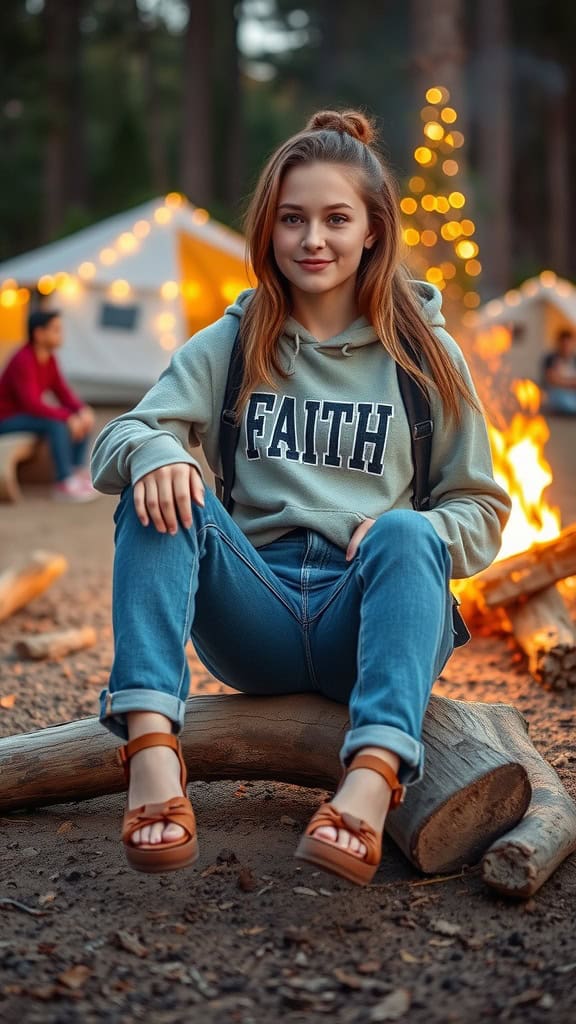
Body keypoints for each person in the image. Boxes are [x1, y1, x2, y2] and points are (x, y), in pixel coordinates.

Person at [91, 110, 511, 884]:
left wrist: (405, 527)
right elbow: (116, 440)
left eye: (335, 218)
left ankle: (372, 778)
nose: (312, 239)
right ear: (268, 231)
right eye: (293, 219)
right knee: (159, 486)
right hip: (258, 613)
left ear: (373, 232)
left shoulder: (426, 353)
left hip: (371, 620)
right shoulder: (233, 339)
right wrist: (156, 452)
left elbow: (481, 510)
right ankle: (151, 750)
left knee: (410, 534)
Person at [0, 309, 98, 501]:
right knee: (58, 423)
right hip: (6, 419)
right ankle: (64, 481)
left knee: (79, 417)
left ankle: (75, 471)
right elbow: (31, 404)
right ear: (39, 333)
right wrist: (67, 417)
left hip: (27, 417)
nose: (61, 335)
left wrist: (81, 410)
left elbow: (62, 392)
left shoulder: (49, 359)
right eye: (55, 329)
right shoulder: (23, 359)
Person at [541, 328, 576, 415]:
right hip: (557, 394)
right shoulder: (551, 359)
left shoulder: (574, 359)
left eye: (568, 344)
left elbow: (557, 379)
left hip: (572, 393)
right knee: (566, 404)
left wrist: (561, 380)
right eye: (563, 344)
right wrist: (571, 383)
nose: (566, 347)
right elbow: (552, 379)